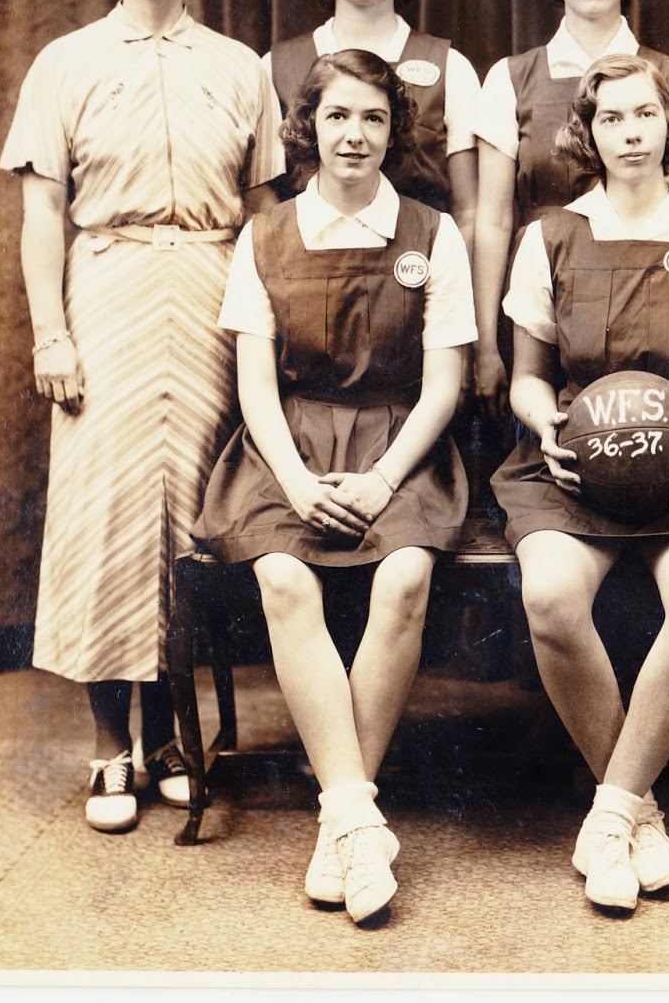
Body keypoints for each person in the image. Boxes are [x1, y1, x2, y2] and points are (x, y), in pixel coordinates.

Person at [0, 0, 284, 833]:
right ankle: (108, 744)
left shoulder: (241, 66)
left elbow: (262, 213)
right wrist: (53, 331)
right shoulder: (64, 62)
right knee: (105, 512)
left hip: (210, 289)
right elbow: (42, 211)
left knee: (187, 516)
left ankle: (172, 735)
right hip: (108, 285)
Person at [193, 49, 475, 924]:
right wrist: (295, 478)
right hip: (289, 444)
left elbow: (443, 385)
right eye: (338, 116)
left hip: (400, 440)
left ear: (395, 131)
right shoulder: (267, 232)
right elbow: (254, 388)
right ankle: (355, 816)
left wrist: (388, 476)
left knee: (406, 575)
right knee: (283, 576)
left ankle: (340, 817)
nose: (355, 134)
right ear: (308, 125)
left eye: (375, 118)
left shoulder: (433, 232)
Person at [491, 54, 669, 913]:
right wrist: (544, 424)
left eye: (643, 115)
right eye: (611, 119)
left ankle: (609, 812)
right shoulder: (549, 234)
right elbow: (528, 377)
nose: (630, 133)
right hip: (575, 464)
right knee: (549, 597)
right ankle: (640, 811)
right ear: (590, 133)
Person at [471, 0, 669, 416]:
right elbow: (491, 221)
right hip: (541, 308)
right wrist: (487, 344)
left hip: (649, 306)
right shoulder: (510, 78)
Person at [267, 0, 481, 252]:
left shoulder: (451, 67)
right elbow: (265, 205)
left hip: (418, 281)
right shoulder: (276, 67)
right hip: (308, 281)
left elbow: (468, 211)